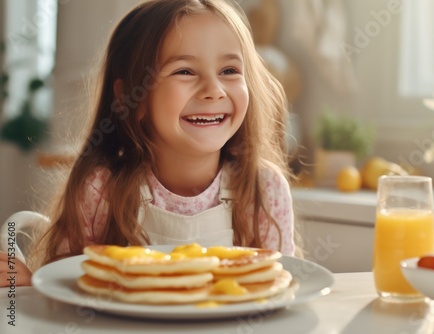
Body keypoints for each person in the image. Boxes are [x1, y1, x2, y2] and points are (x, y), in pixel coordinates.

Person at [0, 0, 298, 287]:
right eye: (185, 71)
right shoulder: (100, 189)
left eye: (229, 70)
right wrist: (26, 287)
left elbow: (279, 291)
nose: (214, 90)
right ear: (132, 97)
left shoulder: (264, 188)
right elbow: (65, 293)